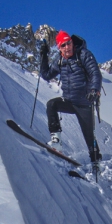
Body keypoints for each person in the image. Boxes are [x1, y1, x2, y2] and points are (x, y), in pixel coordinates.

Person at [39, 30, 103, 168]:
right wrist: (43, 56)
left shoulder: (84, 55)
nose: (67, 47)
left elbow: (95, 73)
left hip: (85, 102)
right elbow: (46, 75)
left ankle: (96, 160)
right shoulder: (60, 60)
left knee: (89, 136)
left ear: (72, 42)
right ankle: (56, 141)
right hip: (68, 101)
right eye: (63, 45)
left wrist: (94, 90)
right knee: (52, 105)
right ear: (59, 48)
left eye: (68, 43)